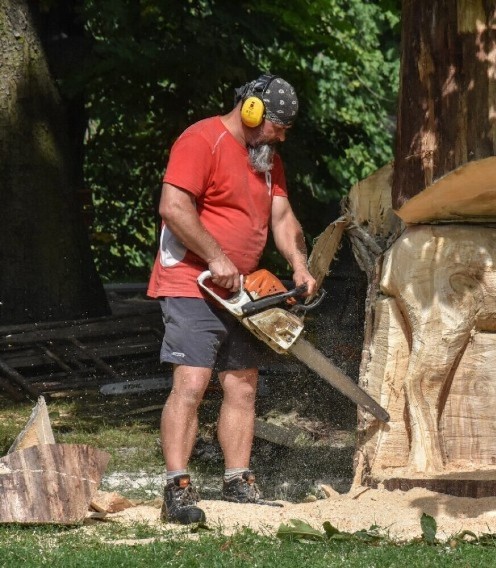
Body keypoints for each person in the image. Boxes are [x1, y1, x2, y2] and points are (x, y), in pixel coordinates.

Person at [146, 73, 317, 524]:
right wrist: (216, 256)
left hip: (241, 290)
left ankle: (238, 480)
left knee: (242, 384)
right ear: (251, 109)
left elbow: (282, 217)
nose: (281, 135)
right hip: (191, 279)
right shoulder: (201, 140)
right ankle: (177, 488)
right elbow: (173, 207)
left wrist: (299, 264)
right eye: (277, 124)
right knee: (192, 382)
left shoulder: (267, 159)